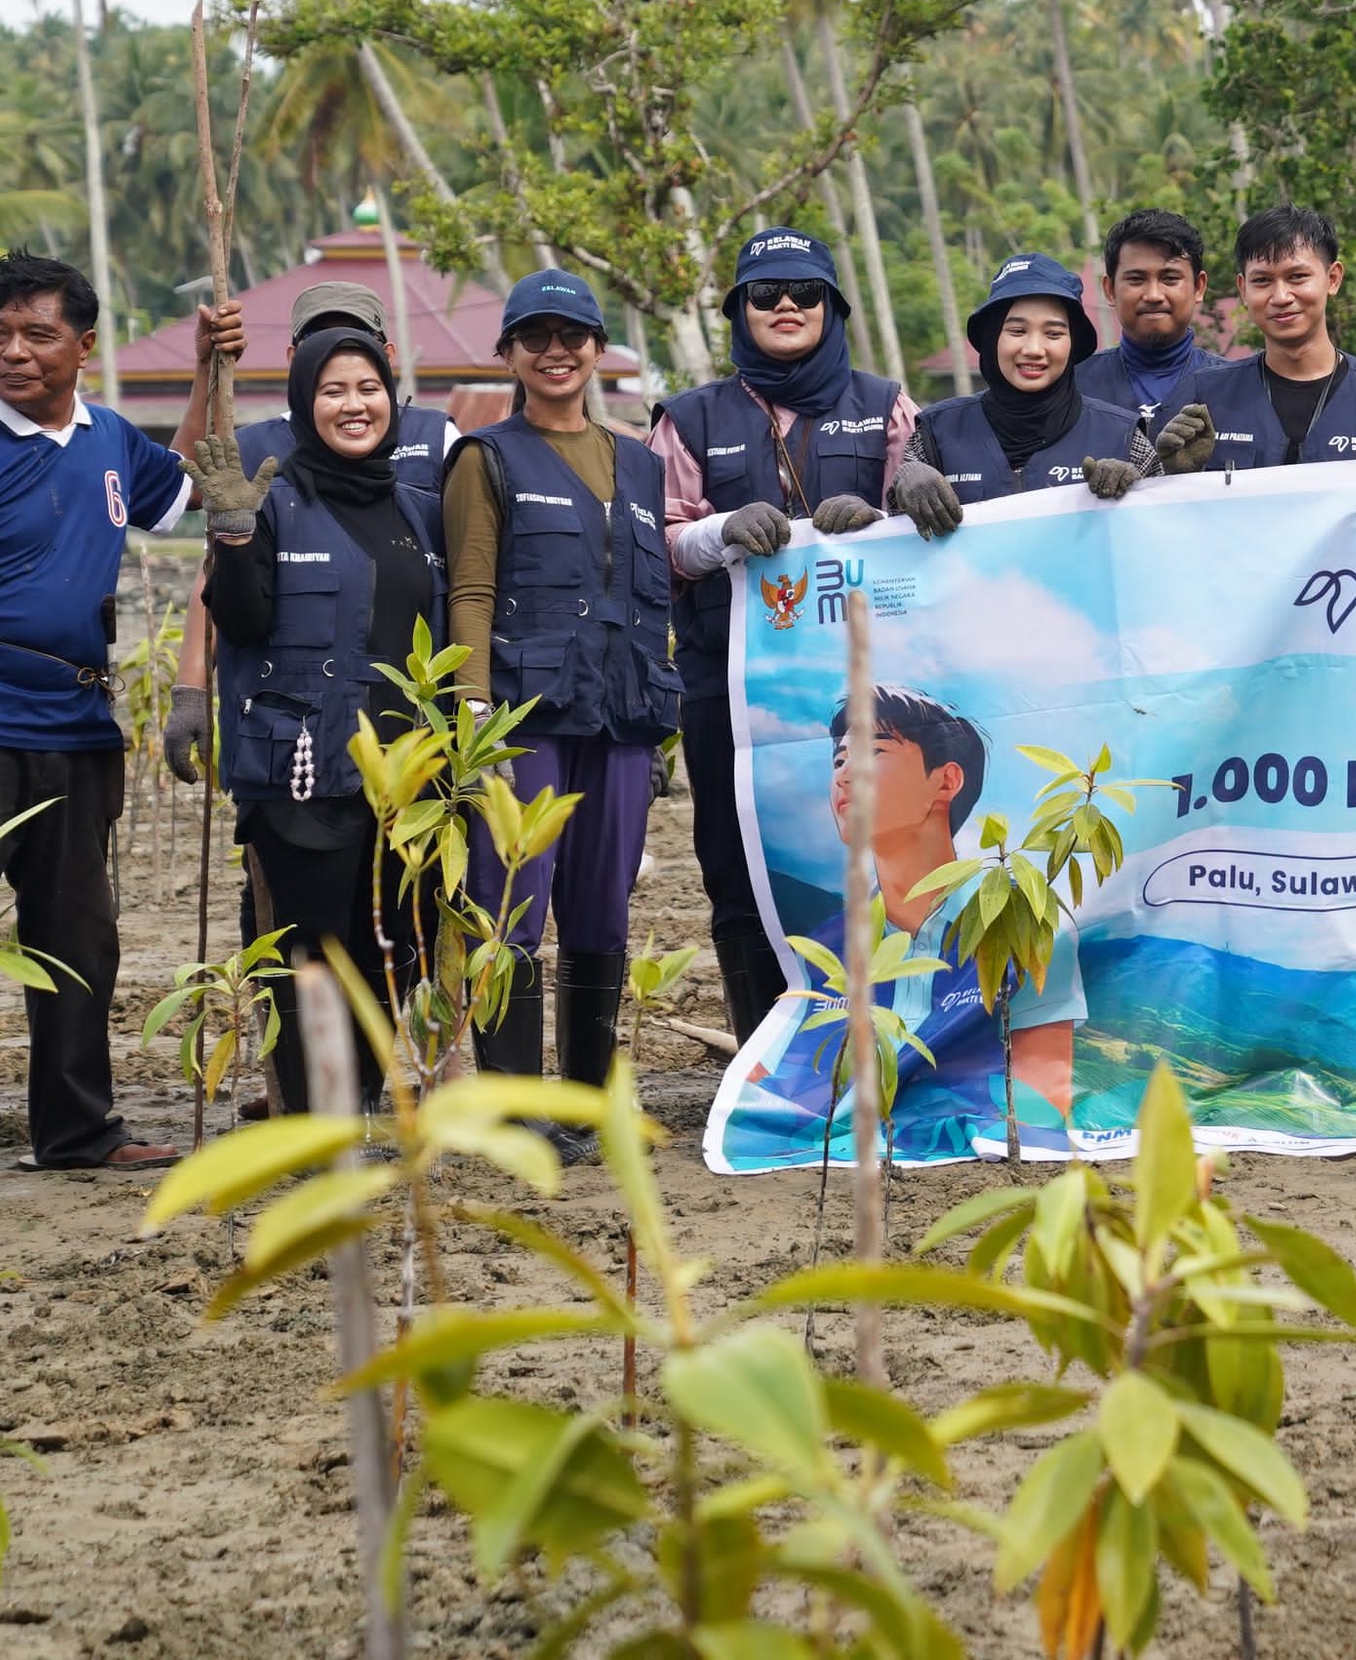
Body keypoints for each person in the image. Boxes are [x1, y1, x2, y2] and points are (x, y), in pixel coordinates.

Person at [0, 253, 226, 1191]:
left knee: (79, 933)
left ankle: (76, 1126)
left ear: (84, 344)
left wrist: (203, 373)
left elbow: (176, 485)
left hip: (78, 723)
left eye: (37, 334)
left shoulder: (108, 439)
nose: (14, 353)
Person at [650, 228, 962, 1037]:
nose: (786, 305)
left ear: (833, 306)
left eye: (805, 292)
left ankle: (889, 1036)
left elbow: (937, 525)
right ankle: (764, 1050)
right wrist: (719, 530)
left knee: (859, 862)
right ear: (738, 311)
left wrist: (902, 500)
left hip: (873, 690)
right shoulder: (688, 419)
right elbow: (659, 543)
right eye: (765, 293)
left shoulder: (887, 404)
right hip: (730, 689)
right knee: (740, 868)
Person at [436, 271, 681, 1111]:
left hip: (622, 717)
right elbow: (469, 589)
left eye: (571, 336)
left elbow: (656, 600)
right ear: (508, 352)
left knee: (602, 909)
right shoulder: (486, 458)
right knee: (511, 906)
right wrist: (470, 712)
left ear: (598, 350)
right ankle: (513, 1106)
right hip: (522, 717)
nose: (555, 351)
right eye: (534, 337)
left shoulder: (641, 466)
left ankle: (581, 1101)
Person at [196, 325, 451, 1116]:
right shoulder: (270, 499)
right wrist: (234, 536)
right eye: (333, 390)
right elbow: (238, 622)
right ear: (305, 403)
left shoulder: (422, 510)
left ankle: (361, 1099)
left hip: (406, 778)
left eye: (368, 388)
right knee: (312, 956)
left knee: (396, 953)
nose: (354, 405)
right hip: (305, 771)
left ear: (392, 400)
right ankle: (312, 1122)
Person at [160, 279, 447, 796]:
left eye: (355, 341)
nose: (339, 355)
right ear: (295, 356)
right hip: (293, 723)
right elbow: (216, 572)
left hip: (405, 716)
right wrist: (191, 687)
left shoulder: (435, 438)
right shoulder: (252, 446)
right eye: (319, 342)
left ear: (385, 355)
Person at [823, 683, 1079, 1150]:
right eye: (839, 759)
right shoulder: (830, 941)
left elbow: (1045, 1096)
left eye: (871, 753)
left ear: (946, 781)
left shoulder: (1018, 916)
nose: (843, 776)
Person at [1147, 208, 1356, 474]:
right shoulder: (1203, 396)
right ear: (1243, 289)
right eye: (1262, 281)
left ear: (1333, 279)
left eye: (1297, 277)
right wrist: (1177, 475)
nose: (1281, 297)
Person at [918, 257, 1146, 504]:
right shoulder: (935, 433)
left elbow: (1162, 525)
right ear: (991, 337)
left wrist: (1139, 486)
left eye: (1053, 334)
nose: (1034, 349)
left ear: (1073, 344)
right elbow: (898, 531)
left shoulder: (1122, 435)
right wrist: (903, 487)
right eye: (1017, 331)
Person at [1077, 209, 1218, 424]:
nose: (1153, 295)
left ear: (1198, 287)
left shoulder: (1235, 388)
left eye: (1170, 278)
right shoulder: (1073, 387)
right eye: (1136, 279)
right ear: (1109, 289)